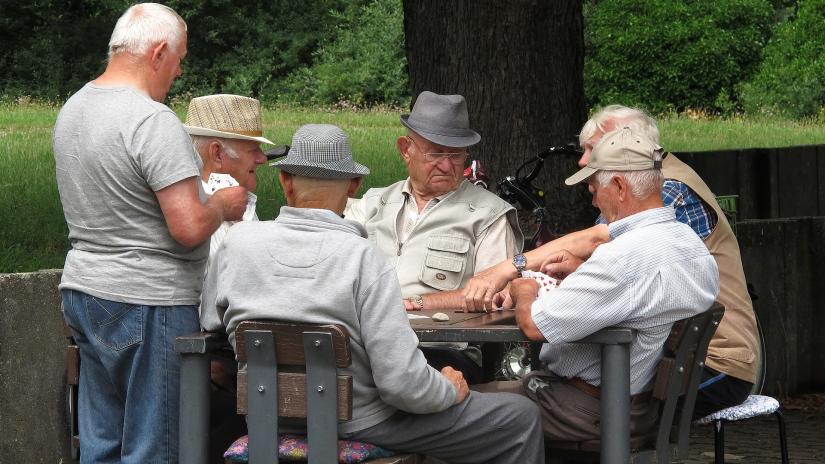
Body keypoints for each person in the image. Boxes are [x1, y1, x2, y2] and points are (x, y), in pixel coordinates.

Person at [201, 124, 544, 463]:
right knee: (520, 417)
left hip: (267, 414)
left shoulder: (236, 244)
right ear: (353, 186)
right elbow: (401, 385)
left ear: (284, 182)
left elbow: (210, 322)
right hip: (359, 422)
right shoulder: (364, 257)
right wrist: (448, 389)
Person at [53, 4, 247, 463]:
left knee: (102, 444)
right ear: (158, 52)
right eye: (179, 60)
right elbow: (188, 227)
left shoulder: (74, 108)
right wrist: (223, 203)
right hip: (149, 302)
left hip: (85, 291)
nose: (178, 73)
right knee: (155, 447)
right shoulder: (152, 120)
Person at [492, 127, 720, 442]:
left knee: (455, 414)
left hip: (589, 412)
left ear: (618, 186)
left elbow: (533, 326)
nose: (593, 198)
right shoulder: (690, 244)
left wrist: (524, 288)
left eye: (592, 187)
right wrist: (584, 273)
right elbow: (638, 295)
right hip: (641, 408)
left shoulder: (624, 257)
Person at [576, 105, 760, 419]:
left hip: (715, 362)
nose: (582, 161)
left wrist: (517, 265)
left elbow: (606, 257)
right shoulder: (648, 185)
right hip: (677, 353)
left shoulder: (668, 190)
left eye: (592, 148)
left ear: (629, 144)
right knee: (581, 393)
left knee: (598, 408)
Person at [344, 90, 523, 382]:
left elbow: (497, 298)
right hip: (362, 345)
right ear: (406, 150)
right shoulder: (372, 204)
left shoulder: (489, 214)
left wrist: (418, 302)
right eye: (436, 153)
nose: (446, 164)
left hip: (439, 353)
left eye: (456, 154)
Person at [183, 93, 273, 463]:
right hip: (215, 369)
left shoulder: (221, 205)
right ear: (218, 154)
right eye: (252, 148)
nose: (262, 159)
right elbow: (231, 305)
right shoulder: (215, 211)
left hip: (224, 366)